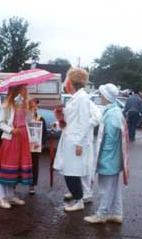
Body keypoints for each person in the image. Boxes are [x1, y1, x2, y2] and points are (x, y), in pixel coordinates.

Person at [84, 83, 129, 224]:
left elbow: (110, 138)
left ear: (106, 96)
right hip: (114, 158)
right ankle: (117, 213)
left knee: (106, 188)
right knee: (114, 187)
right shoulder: (114, 111)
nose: (100, 97)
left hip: (109, 158)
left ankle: (102, 214)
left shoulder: (112, 113)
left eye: (101, 94)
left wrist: (103, 157)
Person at [53, 68, 91, 212]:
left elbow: (84, 122)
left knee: (73, 172)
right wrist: (58, 122)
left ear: (72, 82)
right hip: (69, 139)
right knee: (69, 171)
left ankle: (78, 200)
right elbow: (71, 121)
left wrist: (79, 143)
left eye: (67, 80)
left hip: (75, 141)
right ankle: (77, 198)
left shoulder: (82, 98)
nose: (66, 83)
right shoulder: (75, 97)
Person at [0, 84, 34, 209]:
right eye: (24, 89)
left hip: (23, 138)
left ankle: (11, 195)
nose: (26, 91)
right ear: (17, 90)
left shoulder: (24, 104)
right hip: (11, 138)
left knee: (16, 167)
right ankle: (2, 197)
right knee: (7, 167)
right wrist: (11, 130)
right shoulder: (6, 105)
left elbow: (28, 121)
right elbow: (0, 123)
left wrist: (31, 109)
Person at [64, 100, 101, 204]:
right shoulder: (72, 101)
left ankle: (87, 193)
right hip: (74, 139)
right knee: (74, 168)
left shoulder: (87, 102)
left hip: (85, 140)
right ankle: (75, 191)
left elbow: (97, 117)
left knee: (85, 167)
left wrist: (86, 124)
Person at [28, 98, 47, 195]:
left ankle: (32, 185)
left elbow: (44, 133)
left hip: (35, 147)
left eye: (36, 106)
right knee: (22, 164)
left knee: (34, 165)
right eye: (33, 106)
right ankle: (15, 184)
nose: (35, 108)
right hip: (25, 146)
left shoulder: (41, 119)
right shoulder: (25, 118)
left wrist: (43, 144)